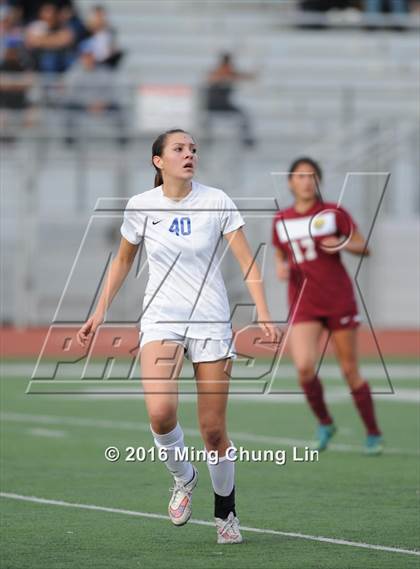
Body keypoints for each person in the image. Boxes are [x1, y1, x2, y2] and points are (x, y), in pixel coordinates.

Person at [77, 129, 280, 543]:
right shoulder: (141, 206)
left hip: (211, 322)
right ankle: (183, 477)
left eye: (193, 149)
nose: (189, 155)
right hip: (161, 320)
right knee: (160, 413)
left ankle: (226, 513)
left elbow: (247, 261)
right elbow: (121, 262)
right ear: (158, 160)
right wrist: (98, 311)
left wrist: (263, 313)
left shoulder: (217, 200)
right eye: (179, 149)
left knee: (212, 431)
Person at [272, 157, 383, 455]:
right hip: (304, 302)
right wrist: (281, 266)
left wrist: (343, 243)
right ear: (290, 182)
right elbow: (280, 254)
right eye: (300, 176)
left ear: (318, 181)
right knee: (305, 369)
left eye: (311, 176)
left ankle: (372, 432)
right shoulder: (282, 220)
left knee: (350, 370)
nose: (306, 181)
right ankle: (325, 421)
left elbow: (365, 247)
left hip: (337, 301)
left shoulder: (333, 214)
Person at [63, 39, 126, 145]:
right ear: (81, 56)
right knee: (68, 110)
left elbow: (112, 91)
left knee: (119, 110)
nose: (89, 58)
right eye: (86, 55)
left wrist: (102, 103)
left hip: (103, 106)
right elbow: (70, 94)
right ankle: (69, 143)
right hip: (81, 106)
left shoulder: (105, 72)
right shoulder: (73, 73)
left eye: (91, 55)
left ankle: (123, 143)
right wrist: (88, 104)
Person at [205, 52, 256, 147]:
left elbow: (244, 76)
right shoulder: (216, 73)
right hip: (213, 105)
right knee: (206, 118)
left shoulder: (230, 73)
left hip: (224, 105)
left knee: (243, 115)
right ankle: (207, 139)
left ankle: (246, 140)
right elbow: (212, 79)